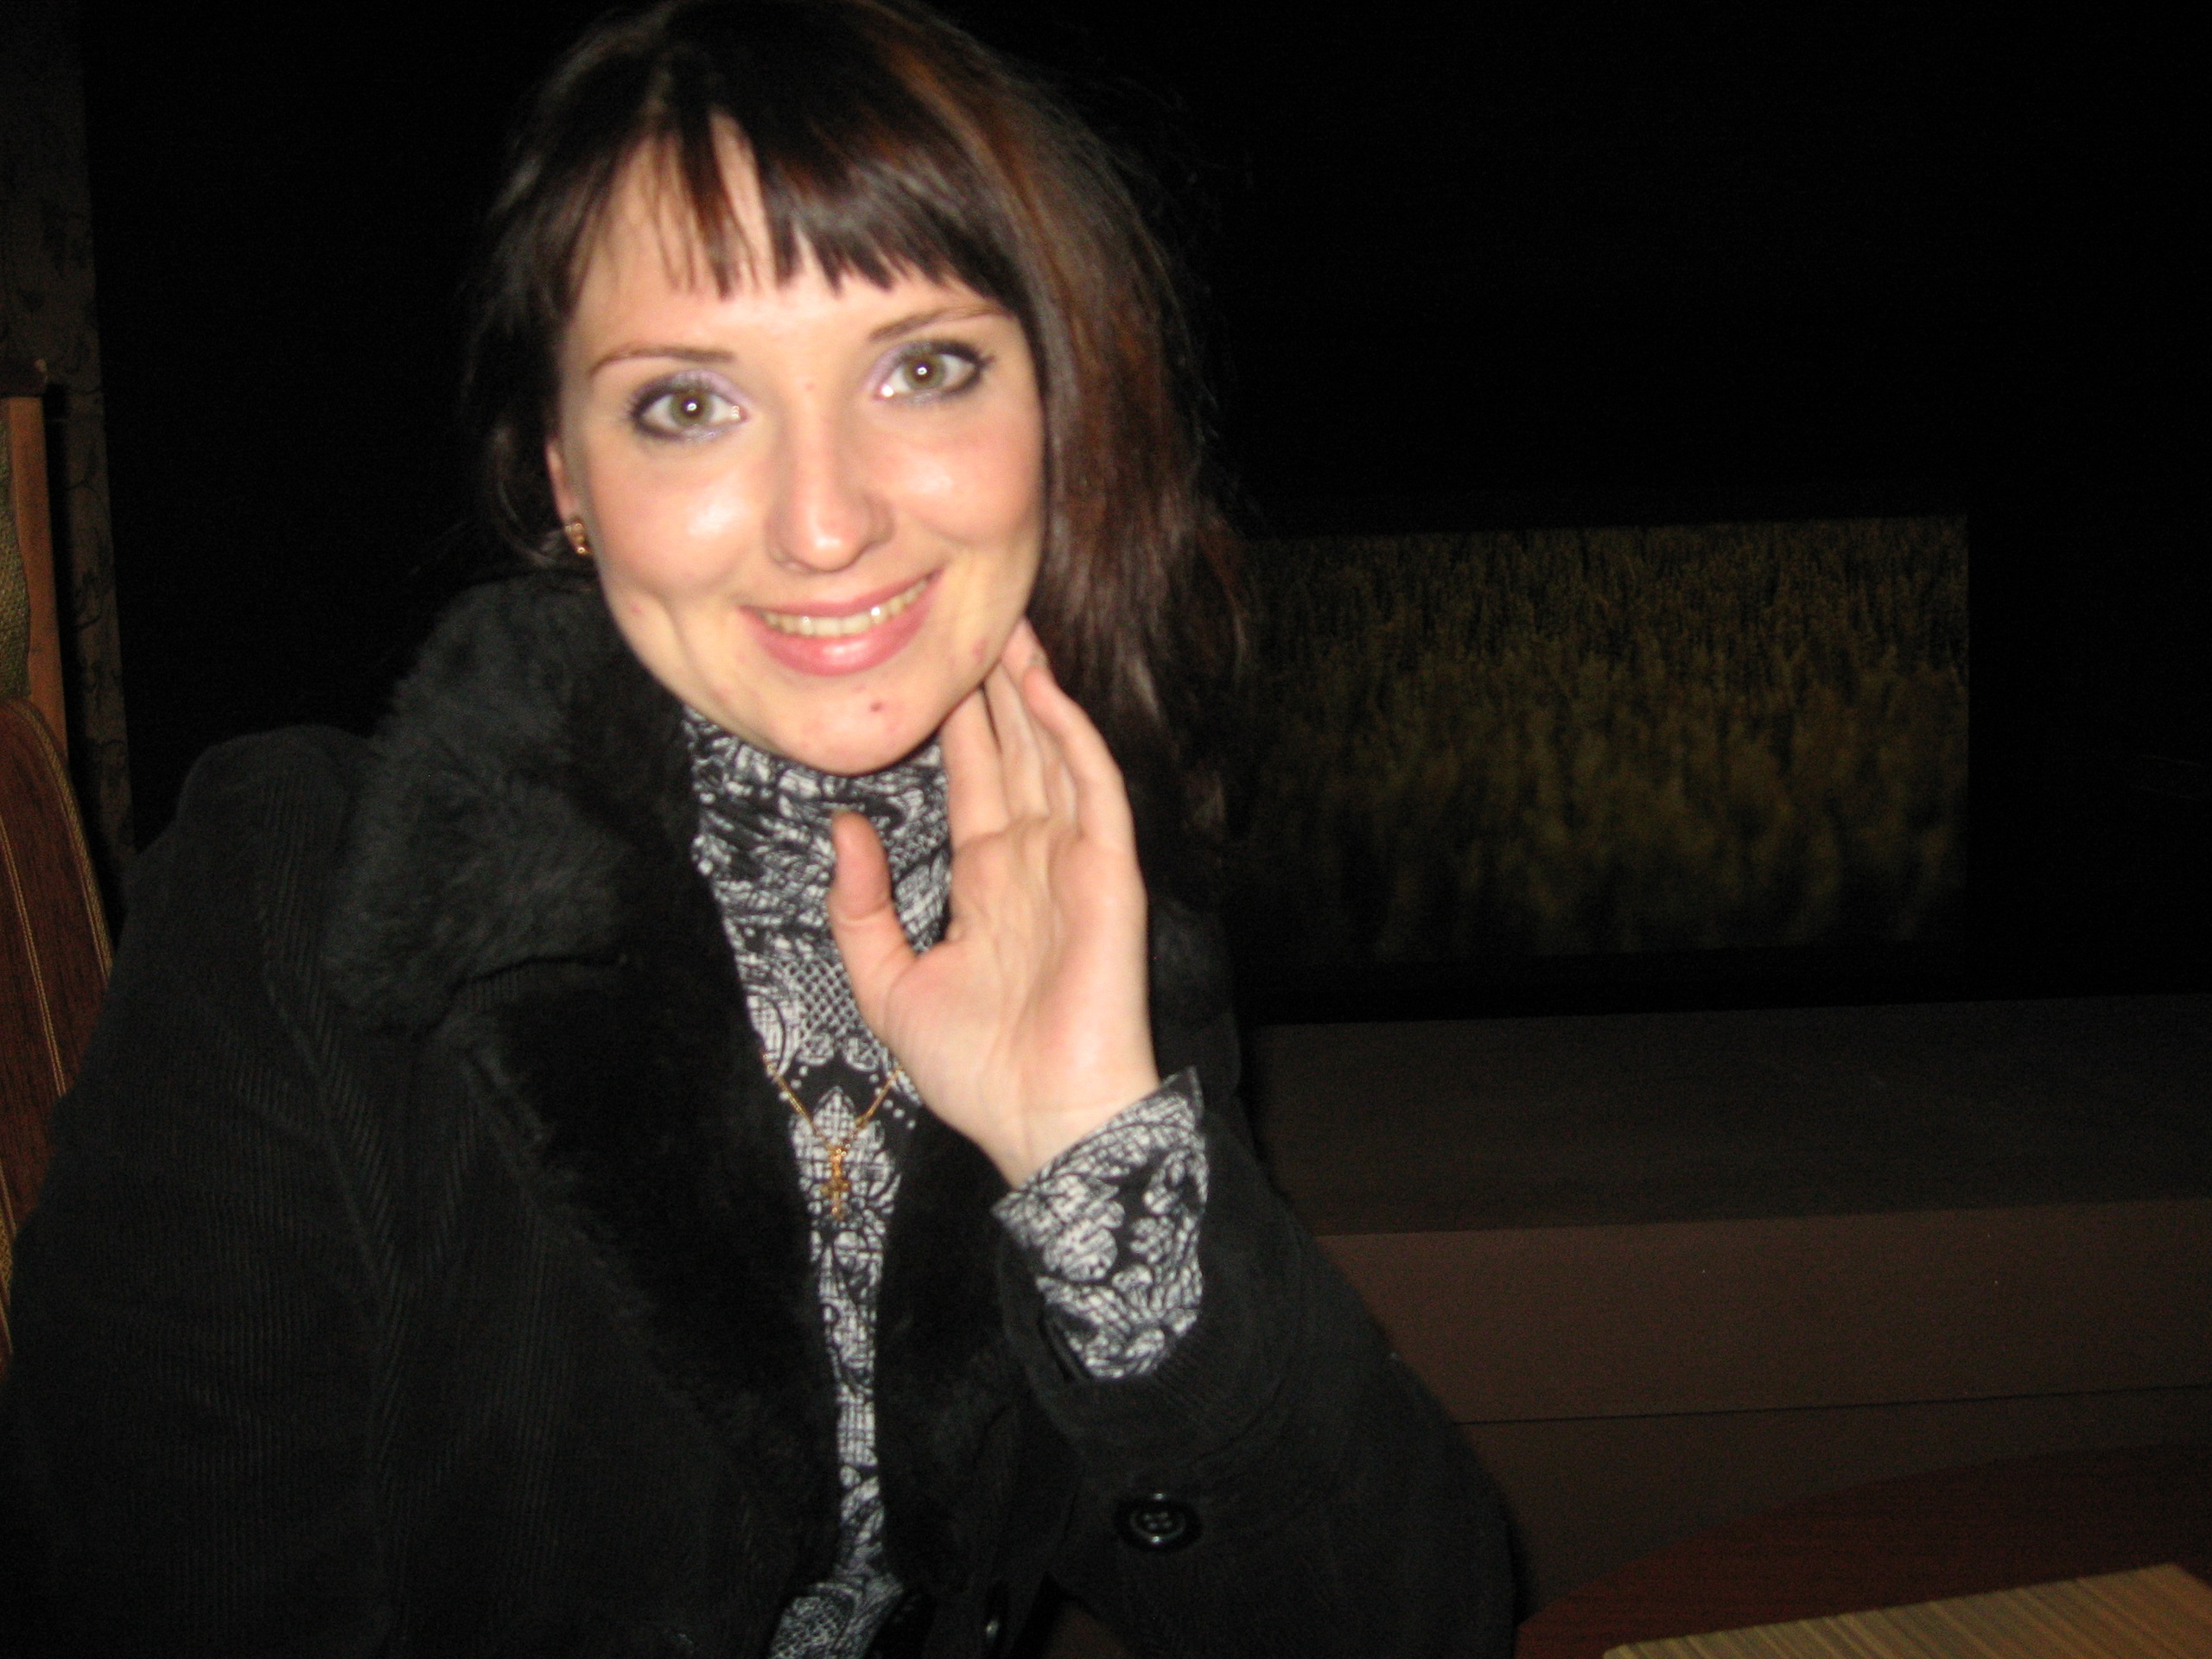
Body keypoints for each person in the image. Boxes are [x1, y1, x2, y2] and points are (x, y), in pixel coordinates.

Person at [0, 1, 1512, 1653]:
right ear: (564, 476)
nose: (826, 520)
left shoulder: (1091, 910)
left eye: (923, 369)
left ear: (1058, 413)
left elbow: (1402, 1624)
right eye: (689, 405)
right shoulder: (302, 896)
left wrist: (1090, 1152)